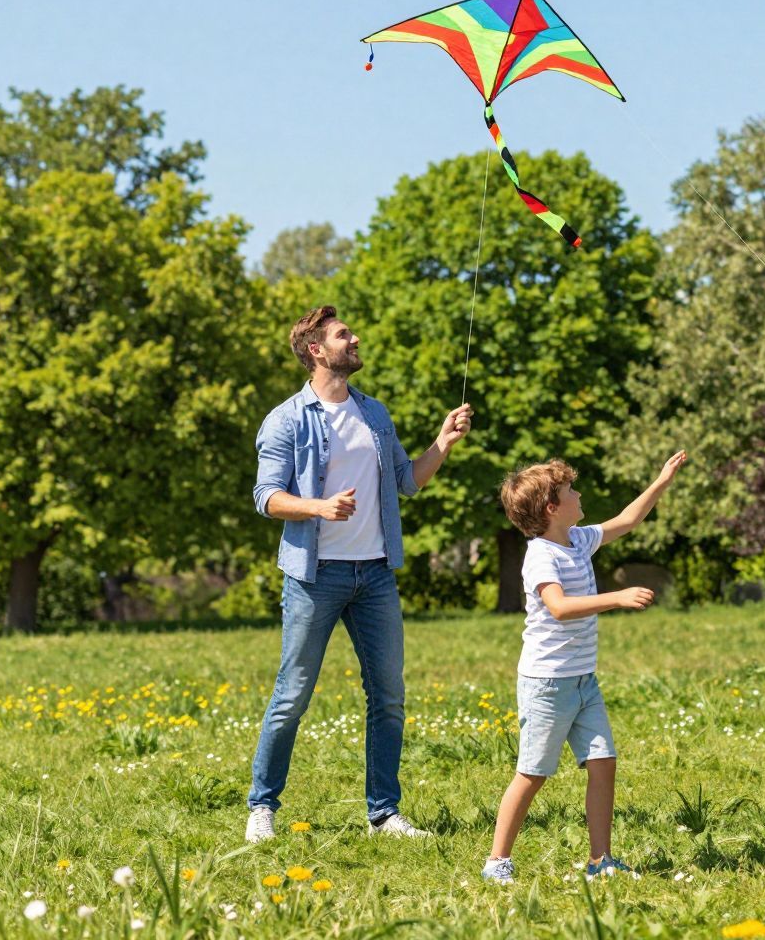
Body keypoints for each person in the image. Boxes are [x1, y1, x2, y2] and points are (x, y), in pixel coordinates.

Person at [246, 306, 472, 842]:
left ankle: (383, 813)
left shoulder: (375, 414)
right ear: (316, 351)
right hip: (313, 576)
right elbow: (265, 498)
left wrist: (443, 442)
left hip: (374, 575)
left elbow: (407, 481)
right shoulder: (286, 420)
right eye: (343, 335)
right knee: (293, 693)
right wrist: (317, 507)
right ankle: (262, 806)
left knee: (388, 695)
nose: (355, 339)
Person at [484, 451, 687, 885]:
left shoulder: (577, 539)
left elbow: (628, 520)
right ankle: (497, 860)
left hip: (582, 680)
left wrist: (662, 479)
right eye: (569, 491)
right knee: (533, 773)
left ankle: (601, 860)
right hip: (547, 684)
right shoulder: (540, 555)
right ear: (551, 508)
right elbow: (558, 607)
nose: (578, 494)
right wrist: (616, 598)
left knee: (603, 761)